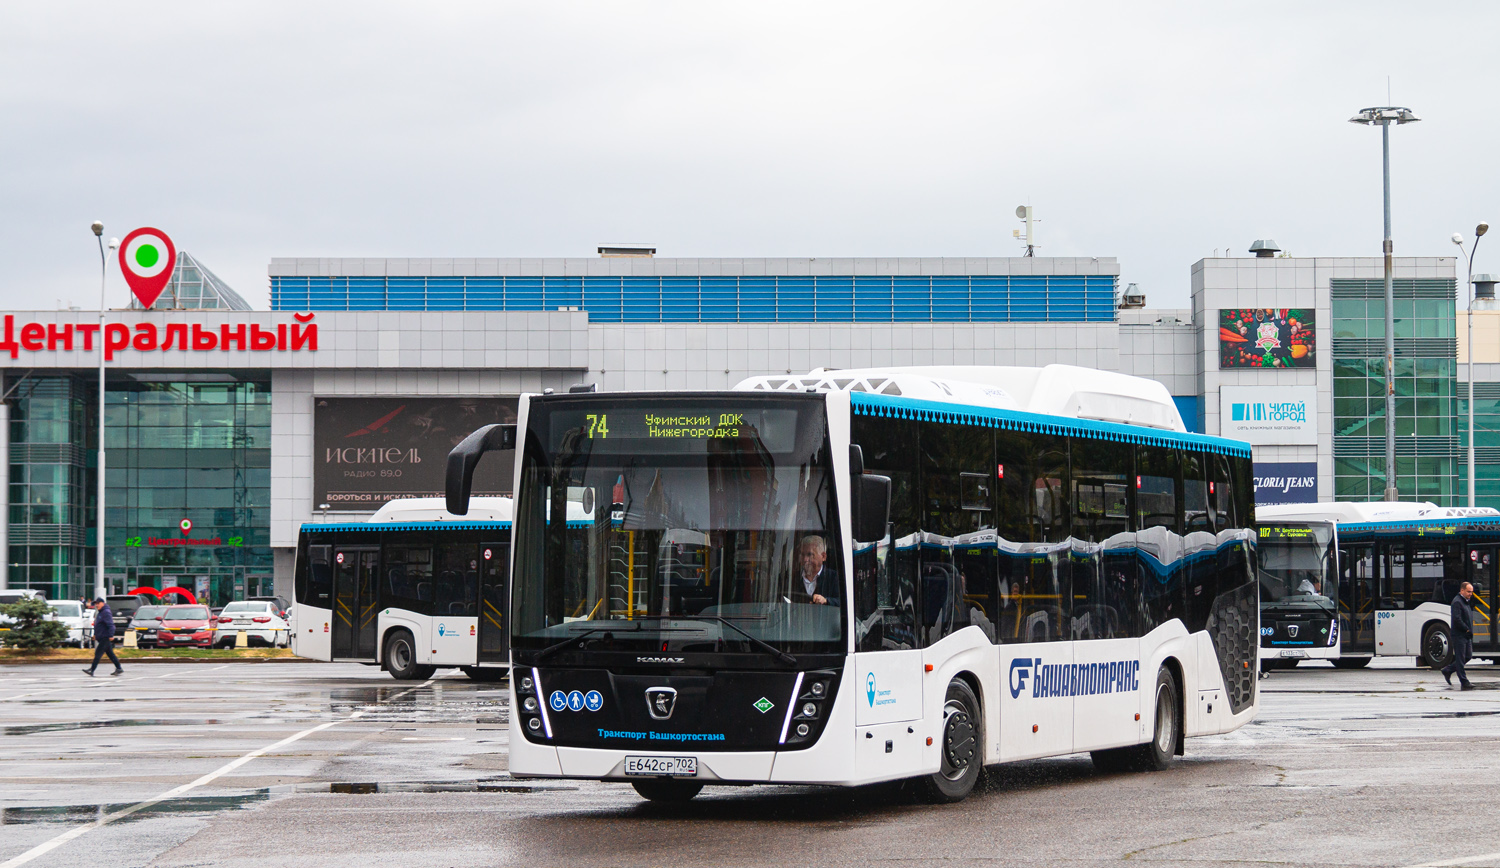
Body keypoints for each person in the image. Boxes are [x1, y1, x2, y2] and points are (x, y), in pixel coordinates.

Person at [1441, 582, 1476, 690]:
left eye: (1471, 592)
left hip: (1466, 635)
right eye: (1468, 591)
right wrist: (1466, 629)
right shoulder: (1457, 602)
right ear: (1462, 591)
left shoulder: (1465, 601)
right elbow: (1457, 619)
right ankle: (1464, 682)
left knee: (1468, 656)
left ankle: (1448, 670)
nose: (1471, 594)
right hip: (1459, 635)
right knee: (1460, 659)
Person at [791, 535, 839, 606]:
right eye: (802, 555)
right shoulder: (792, 579)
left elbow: (844, 603)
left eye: (810, 554)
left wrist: (826, 601)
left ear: (823, 556)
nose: (805, 559)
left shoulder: (834, 578)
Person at [83, 598, 123, 677]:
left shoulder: (106, 613)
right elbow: (98, 625)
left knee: (98, 653)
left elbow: (111, 625)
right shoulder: (101, 613)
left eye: (98, 603)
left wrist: (111, 635)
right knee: (110, 654)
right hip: (101, 637)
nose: (96, 605)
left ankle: (92, 670)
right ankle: (119, 668)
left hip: (105, 637)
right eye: (96, 604)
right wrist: (95, 634)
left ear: (102, 603)